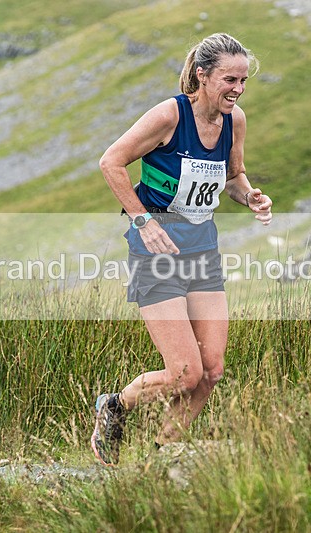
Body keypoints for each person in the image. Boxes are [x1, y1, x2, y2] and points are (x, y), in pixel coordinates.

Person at [92, 33, 272, 466]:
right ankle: (115, 406)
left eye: (244, 80)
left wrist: (249, 196)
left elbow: (233, 175)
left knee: (210, 371)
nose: (238, 89)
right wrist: (143, 221)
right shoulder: (170, 115)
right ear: (202, 75)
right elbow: (111, 162)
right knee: (183, 373)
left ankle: (163, 458)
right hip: (155, 252)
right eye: (230, 79)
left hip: (202, 252)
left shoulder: (235, 120)